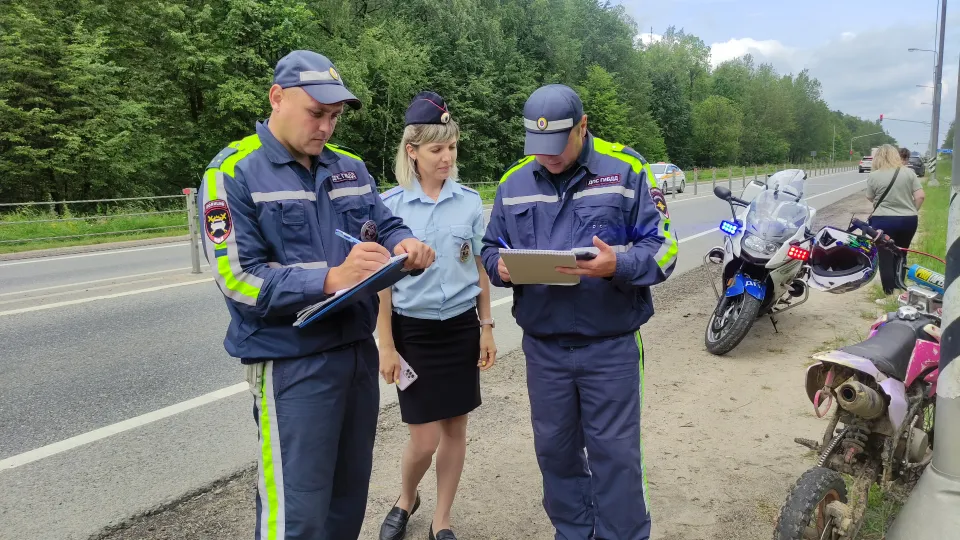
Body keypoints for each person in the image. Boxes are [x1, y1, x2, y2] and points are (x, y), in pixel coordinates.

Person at [197, 50, 435, 540]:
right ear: (276, 98)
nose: (326, 127)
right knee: (296, 515)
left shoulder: (349, 167)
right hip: (291, 364)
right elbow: (239, 280)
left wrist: (403, 243)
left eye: (335, 117)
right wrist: (331, 278)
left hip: (354, 356)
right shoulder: (233, 173)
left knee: (346, 503)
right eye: (316, 114)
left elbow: (384, 222)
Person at [480, 84, 678, 540]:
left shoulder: (626, 169)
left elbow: (664, 249)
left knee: (616, 456)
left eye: (557, 145)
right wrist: (501, 267)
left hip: (609, 347)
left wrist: (618, 265)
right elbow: (490, 247)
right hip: (545, 350)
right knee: (555, 452)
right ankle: (573, 532)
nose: (546, 157)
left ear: (583, 126)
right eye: (538, 147)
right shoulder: (513, 182)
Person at [375, 91, 497, 540]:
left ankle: (441, 520)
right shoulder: (390, 207)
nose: (447, 158)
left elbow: (479, 267)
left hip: (462, 329)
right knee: (423, 439)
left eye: (452, 147)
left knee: (455, 429)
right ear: (413, 151)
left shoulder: (468, 201)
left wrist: (486, 328)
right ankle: (407, 498)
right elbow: (382, 287)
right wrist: (386, 345)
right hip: (415, 334)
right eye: (436, 149)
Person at [865, 143, 925, 295]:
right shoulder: (909, 173)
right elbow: (920, 196)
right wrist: (911, 210)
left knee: (885, 256)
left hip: (883, 220)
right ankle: (900, 289)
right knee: (901, 253)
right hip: (908, 220)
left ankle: (889, 293)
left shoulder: (874, 175)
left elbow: (870, 197)